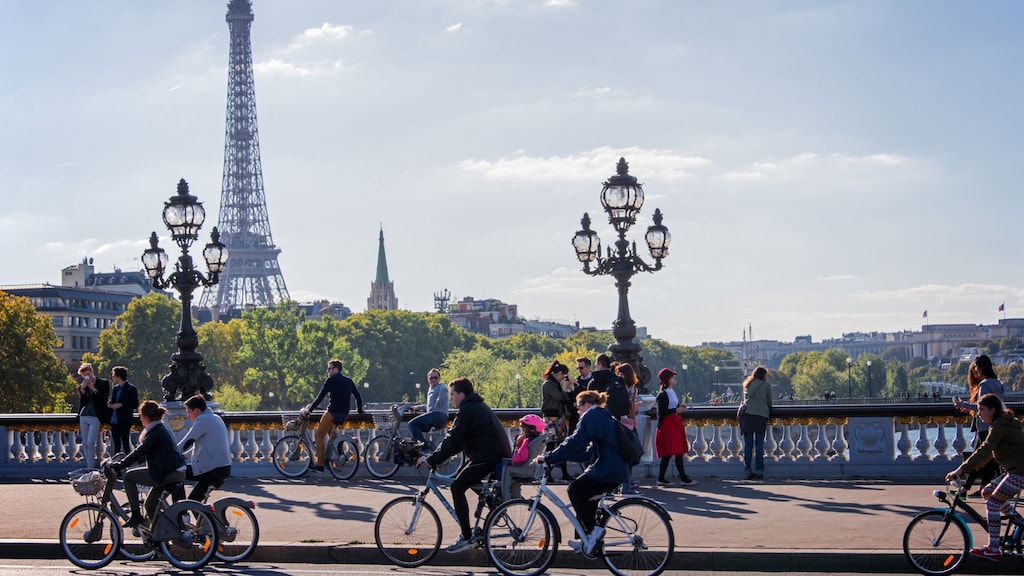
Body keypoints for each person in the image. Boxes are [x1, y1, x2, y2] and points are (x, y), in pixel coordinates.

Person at [417, 377, 511, 553]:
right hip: (491, 454)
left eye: (453, 394)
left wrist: (431, 459)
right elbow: (456, 442)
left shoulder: (468, 409)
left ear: (462, 394)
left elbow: (453, 440)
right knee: (463, 475)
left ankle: (466, 537)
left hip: (488, 456)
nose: (451, 398)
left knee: (457, 488)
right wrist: (436, 456)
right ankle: (494, 505)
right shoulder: (475, 406)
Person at [536, 390, 629, 557]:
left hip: (607, 470)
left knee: (575, 490)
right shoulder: (604, 415)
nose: (577, 411)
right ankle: (587, 540)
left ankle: (594, 533)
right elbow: (587, 452)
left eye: (578, 407)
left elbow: (574, 442)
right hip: (616, 468)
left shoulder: (591, 416)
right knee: (586, 494)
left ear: (587, 405)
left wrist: (549, 457)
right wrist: (559, 458)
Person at [945, 393, 1024, 561]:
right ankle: (1020, 525)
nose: (979, 413)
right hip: (1015, 470)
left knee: (993, 503)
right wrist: (966, 470)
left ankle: (994, 548)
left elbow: (985, 450)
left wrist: (960, 470)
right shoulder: (1001, 422)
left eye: (981, 409)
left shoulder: (999, 425)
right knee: (987, 492)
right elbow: (987, 455)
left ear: (992, 410)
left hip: (1020, 472)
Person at [107, 400, 186, 528]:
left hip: (167, 473)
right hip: (174, 471)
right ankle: (159, 538)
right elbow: (143, 454)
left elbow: (139, 451)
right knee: (150, 505)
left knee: (128, 477)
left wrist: (118, 465)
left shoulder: (155, 432)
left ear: (146, 417)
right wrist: (133, 459)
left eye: (140, 416)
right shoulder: (162, 428)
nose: (140, 419)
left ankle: (136, 515)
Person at [301, 358, 366, 473]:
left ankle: (320, 464)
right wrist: (360, 410)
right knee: (332, 433)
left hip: (332, 412)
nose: (328, 371)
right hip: (344, 414)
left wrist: (309, 410)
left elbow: (320, 397)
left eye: (329, 369)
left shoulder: (330, 380)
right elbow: (358, 396)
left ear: (336, 369)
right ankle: (338, 455)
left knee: (318, 436)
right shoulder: (348, 381)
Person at [954, 354, 1006, 496]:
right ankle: (984, 488)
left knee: (978, 458)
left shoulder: (984, 385)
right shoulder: (998, 383)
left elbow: (981, 405)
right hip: (995, 423)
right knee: (990, 460)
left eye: (976, 368)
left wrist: (962, 404)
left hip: (984, 426)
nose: (975, 371)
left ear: (981, 368)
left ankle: (965, 490)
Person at [178, 394, 232, 502]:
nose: (187, 416)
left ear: (197, 411)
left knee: (176, 474)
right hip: (223, 468)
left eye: (188, 411)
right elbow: (198, 447)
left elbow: (187, 442)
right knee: (195, 500)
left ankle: (182, 512)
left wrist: (170, 453)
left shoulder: (202, 420)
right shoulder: (215, 418)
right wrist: (183, 456)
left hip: (212, 470)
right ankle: (202, 517)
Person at [654, 368, 696, 486]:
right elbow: (661, 413)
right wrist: (676, 409)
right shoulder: (662, 395)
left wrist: (679, 406)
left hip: (674, 422)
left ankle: (662, 478)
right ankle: (682, 477)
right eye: (672, 376)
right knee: (674, 451)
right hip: (668, 424)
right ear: (667, 379)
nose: (674, 378)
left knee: (676, 451)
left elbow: (673, 405)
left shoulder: (671, 391)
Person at [540, 360, 575, 482]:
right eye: (562, 375)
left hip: (558, 417)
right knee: (550, 445)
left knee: (561, 445)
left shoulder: (554, 384)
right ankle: (547, 473)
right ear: (558, 373)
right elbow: (559, 396)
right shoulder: (548, 384)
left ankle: (564, 473)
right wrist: (566, 391)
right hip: (551, 418)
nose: (562, 378)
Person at [501, 414, 548, 499]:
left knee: (506, 468)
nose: (522, 430)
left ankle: (505, 497)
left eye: (523, 428)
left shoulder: (527, 442)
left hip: (522, 470)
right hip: (529, 469)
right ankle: (515, 496)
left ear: (531, 429)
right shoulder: (535, 440)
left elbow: (522, 456)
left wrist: (512, 459)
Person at [612, 363, 641, 494]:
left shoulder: (620, 387)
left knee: (623, 454)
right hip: (628, 421)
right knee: (628, 453)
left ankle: (623, 483)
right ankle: (626, 483)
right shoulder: (632, 388)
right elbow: (632, 408)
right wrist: (634, 421)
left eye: (620, 373)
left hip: (621, 421)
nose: (618, 375)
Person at [739, 366, 773, 480]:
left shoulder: (747, 384)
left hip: (748, 416)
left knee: (748, 445)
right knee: (759, 445)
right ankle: (759, 470)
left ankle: (747, 470)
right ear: (764, 375)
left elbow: (745, 399)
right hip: (760, 416)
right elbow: (769, 401)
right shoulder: (766, 385)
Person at [76, 363, 111, 469]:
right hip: (84, 415)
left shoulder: (103, 383)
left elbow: (103, 399)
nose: (87, 377)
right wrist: (82, 389)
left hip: (96, 416)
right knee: (86, 443)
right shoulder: (83, 386)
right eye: (84, 376)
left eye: (88, 374)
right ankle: (89, 466)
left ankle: (92, 467)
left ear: (92, 372)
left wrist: (93, 388)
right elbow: (83, 402)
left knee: (91, 442)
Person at [408, 368, 449, 448]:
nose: (433, 380)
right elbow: (429, 406)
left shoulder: (441, 386)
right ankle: (422, 447)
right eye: (431, 378)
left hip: (438, 415)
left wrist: (439, 400)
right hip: (433, 415)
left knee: (411, 424)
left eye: (435, 378)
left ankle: (424, 448)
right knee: (416, 429)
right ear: (428, 379)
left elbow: (444, 389)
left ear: (439, 379)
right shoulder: (431, 389)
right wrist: (417, 407)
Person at [107, 366, 139, 455]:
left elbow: (135, 404)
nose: (113, 378)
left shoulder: (131, 388)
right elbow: (114, 400)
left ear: (118, 376)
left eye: (113, 376)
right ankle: (117, 462)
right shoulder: (115, 388)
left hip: (125, 419)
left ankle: (127, 462)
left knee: (125, 442)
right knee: (116, 444)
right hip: (114, 419)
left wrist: (121, 405)